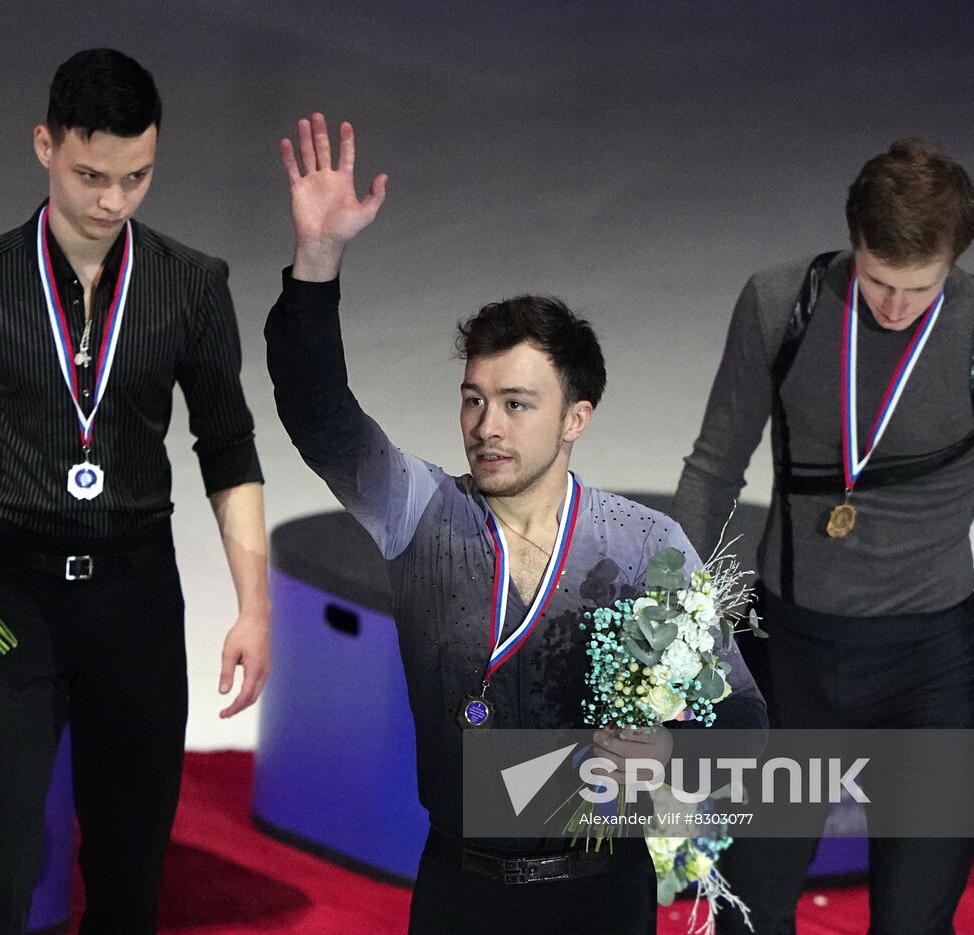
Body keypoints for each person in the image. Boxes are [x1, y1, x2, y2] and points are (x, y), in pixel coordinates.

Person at [265, 113, 767, 935]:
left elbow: (744, 720)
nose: (486, 425)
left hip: (600, 894)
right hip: (460, 890)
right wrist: (317, 262)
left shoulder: (644, 546)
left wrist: (675, 755)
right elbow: (319, 414)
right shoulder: (419, 509)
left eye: (516, 404)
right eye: (474, 399)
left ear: (576, 417)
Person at [0, 49, 271, 935]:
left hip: (136, 593)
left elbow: (228, 444)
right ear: (44, 146)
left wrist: (254, 605)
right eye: (90, 174)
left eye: (137, 177)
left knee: (130, 877)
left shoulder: (192, 286)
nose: (112, 200)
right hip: (8, 593)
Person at [670, 138, 974, 934]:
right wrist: (678, 641)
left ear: (955, 259)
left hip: (928, 671)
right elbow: (713, 471)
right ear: (853, 239)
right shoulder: (780, 304)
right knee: (746, 912)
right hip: (788, 659)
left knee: (913, 922)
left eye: (919, 288)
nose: (893, 306)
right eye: (878, 279)